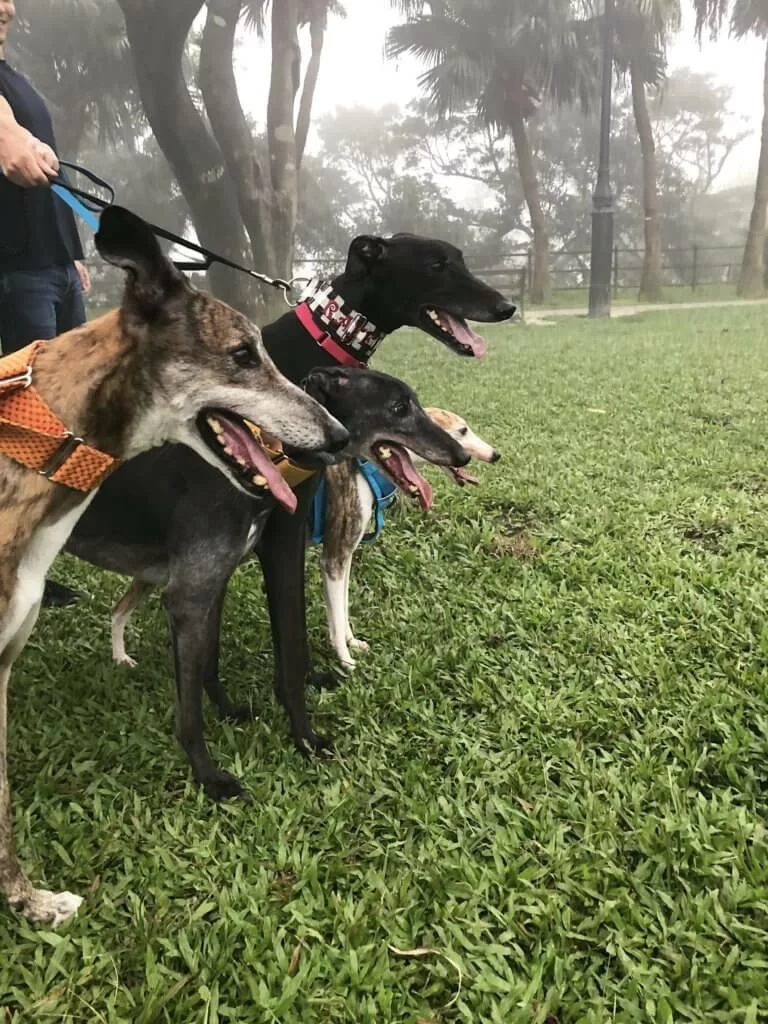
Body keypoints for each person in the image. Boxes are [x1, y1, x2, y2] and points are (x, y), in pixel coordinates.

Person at [0, 0, 89, 607]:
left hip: (55, 266)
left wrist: (72, 252)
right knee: (34, 419)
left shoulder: (18, 80)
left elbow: (50, 180)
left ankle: (50, 538)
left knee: (71, 407)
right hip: (17, 272)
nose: (6, 6)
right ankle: (17, 554)